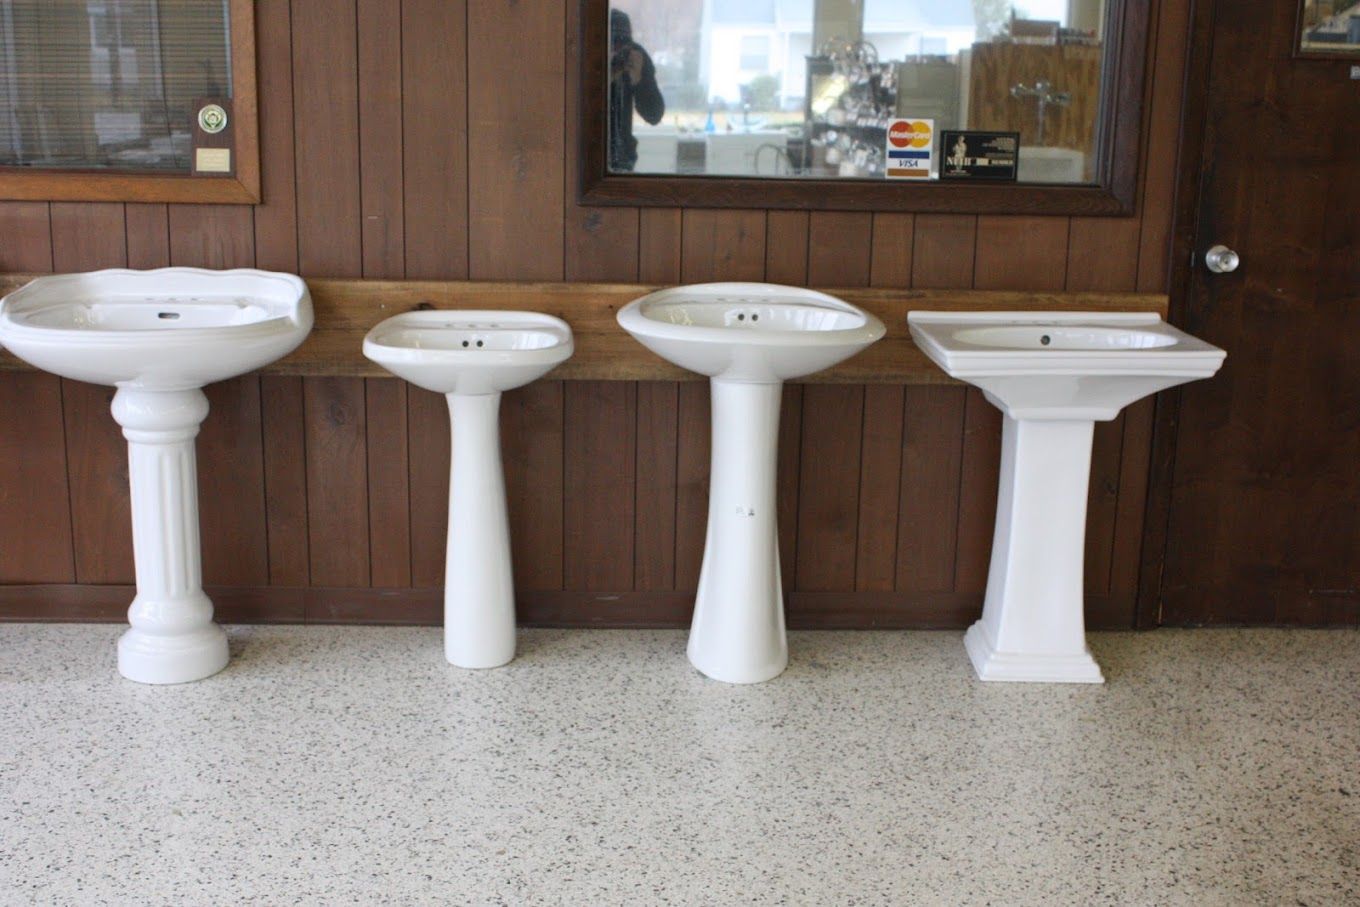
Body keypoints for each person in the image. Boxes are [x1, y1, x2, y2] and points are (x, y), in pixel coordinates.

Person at [608, 9, 664, 172]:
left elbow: (654, 115)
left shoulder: (634, 58)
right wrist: (605, 77)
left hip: (623, 160)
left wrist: (638, 80)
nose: (619, 53)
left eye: (623, 45)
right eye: (613, 45)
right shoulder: (588, 59)